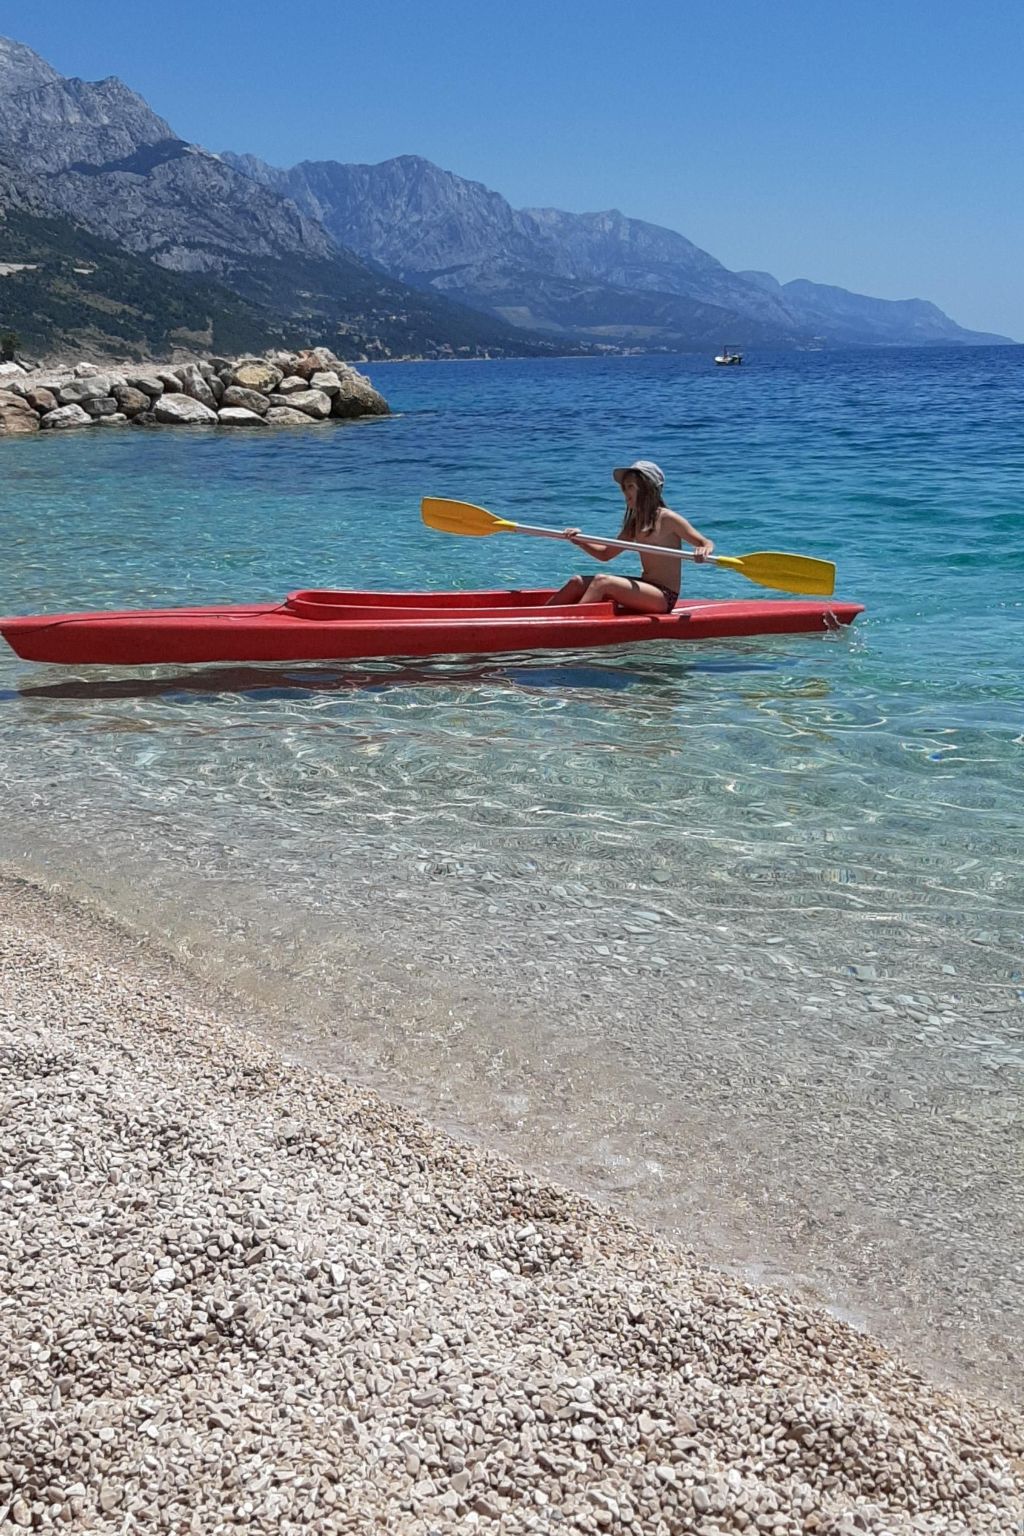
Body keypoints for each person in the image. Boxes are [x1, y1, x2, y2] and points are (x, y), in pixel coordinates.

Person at [545, 460, 714, 612]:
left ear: (647, 487)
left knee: (603, 582)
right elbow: (605, 554)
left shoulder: (667, 518)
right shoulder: (635, 523)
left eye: (631, 486)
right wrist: (579, 540)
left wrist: (702, 551)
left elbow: (705, 542)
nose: (626, 492)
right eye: (624, 488)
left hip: (663, 596)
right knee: (577, 582)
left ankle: (572, 624)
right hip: (646, 586)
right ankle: (542, 618)